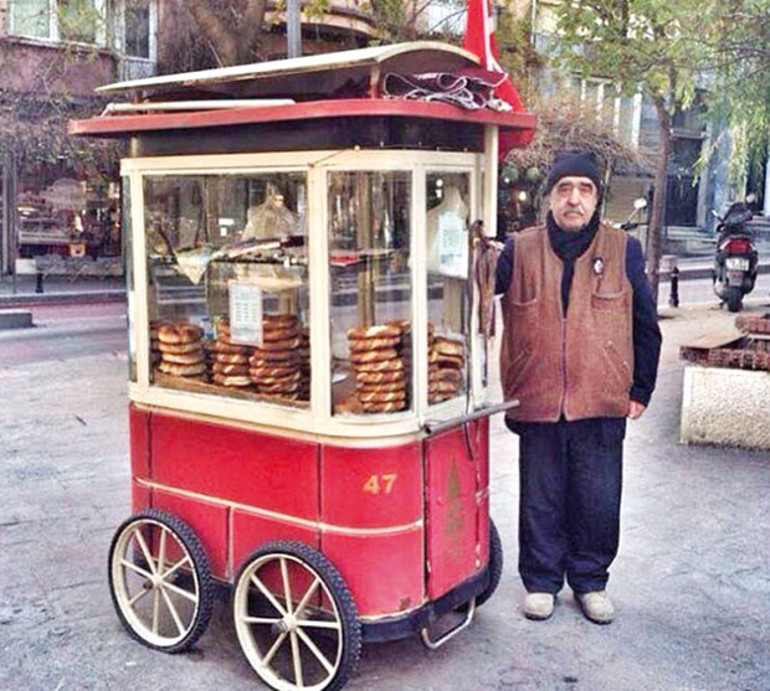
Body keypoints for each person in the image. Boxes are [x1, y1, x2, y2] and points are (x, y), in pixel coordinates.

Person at [495, 151, 661, 625]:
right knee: (540, 497)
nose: (574, 199)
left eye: (584, 190)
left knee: (597, 499)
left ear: (596, 199)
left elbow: (646, 325)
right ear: (549, 197)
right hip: (538, 396)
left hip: (601, 398)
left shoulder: (623, 248)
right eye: (564, 189)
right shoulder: (519, 249)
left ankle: (591, 581)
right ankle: (541, 581)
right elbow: (475, 292)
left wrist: (641, 389)